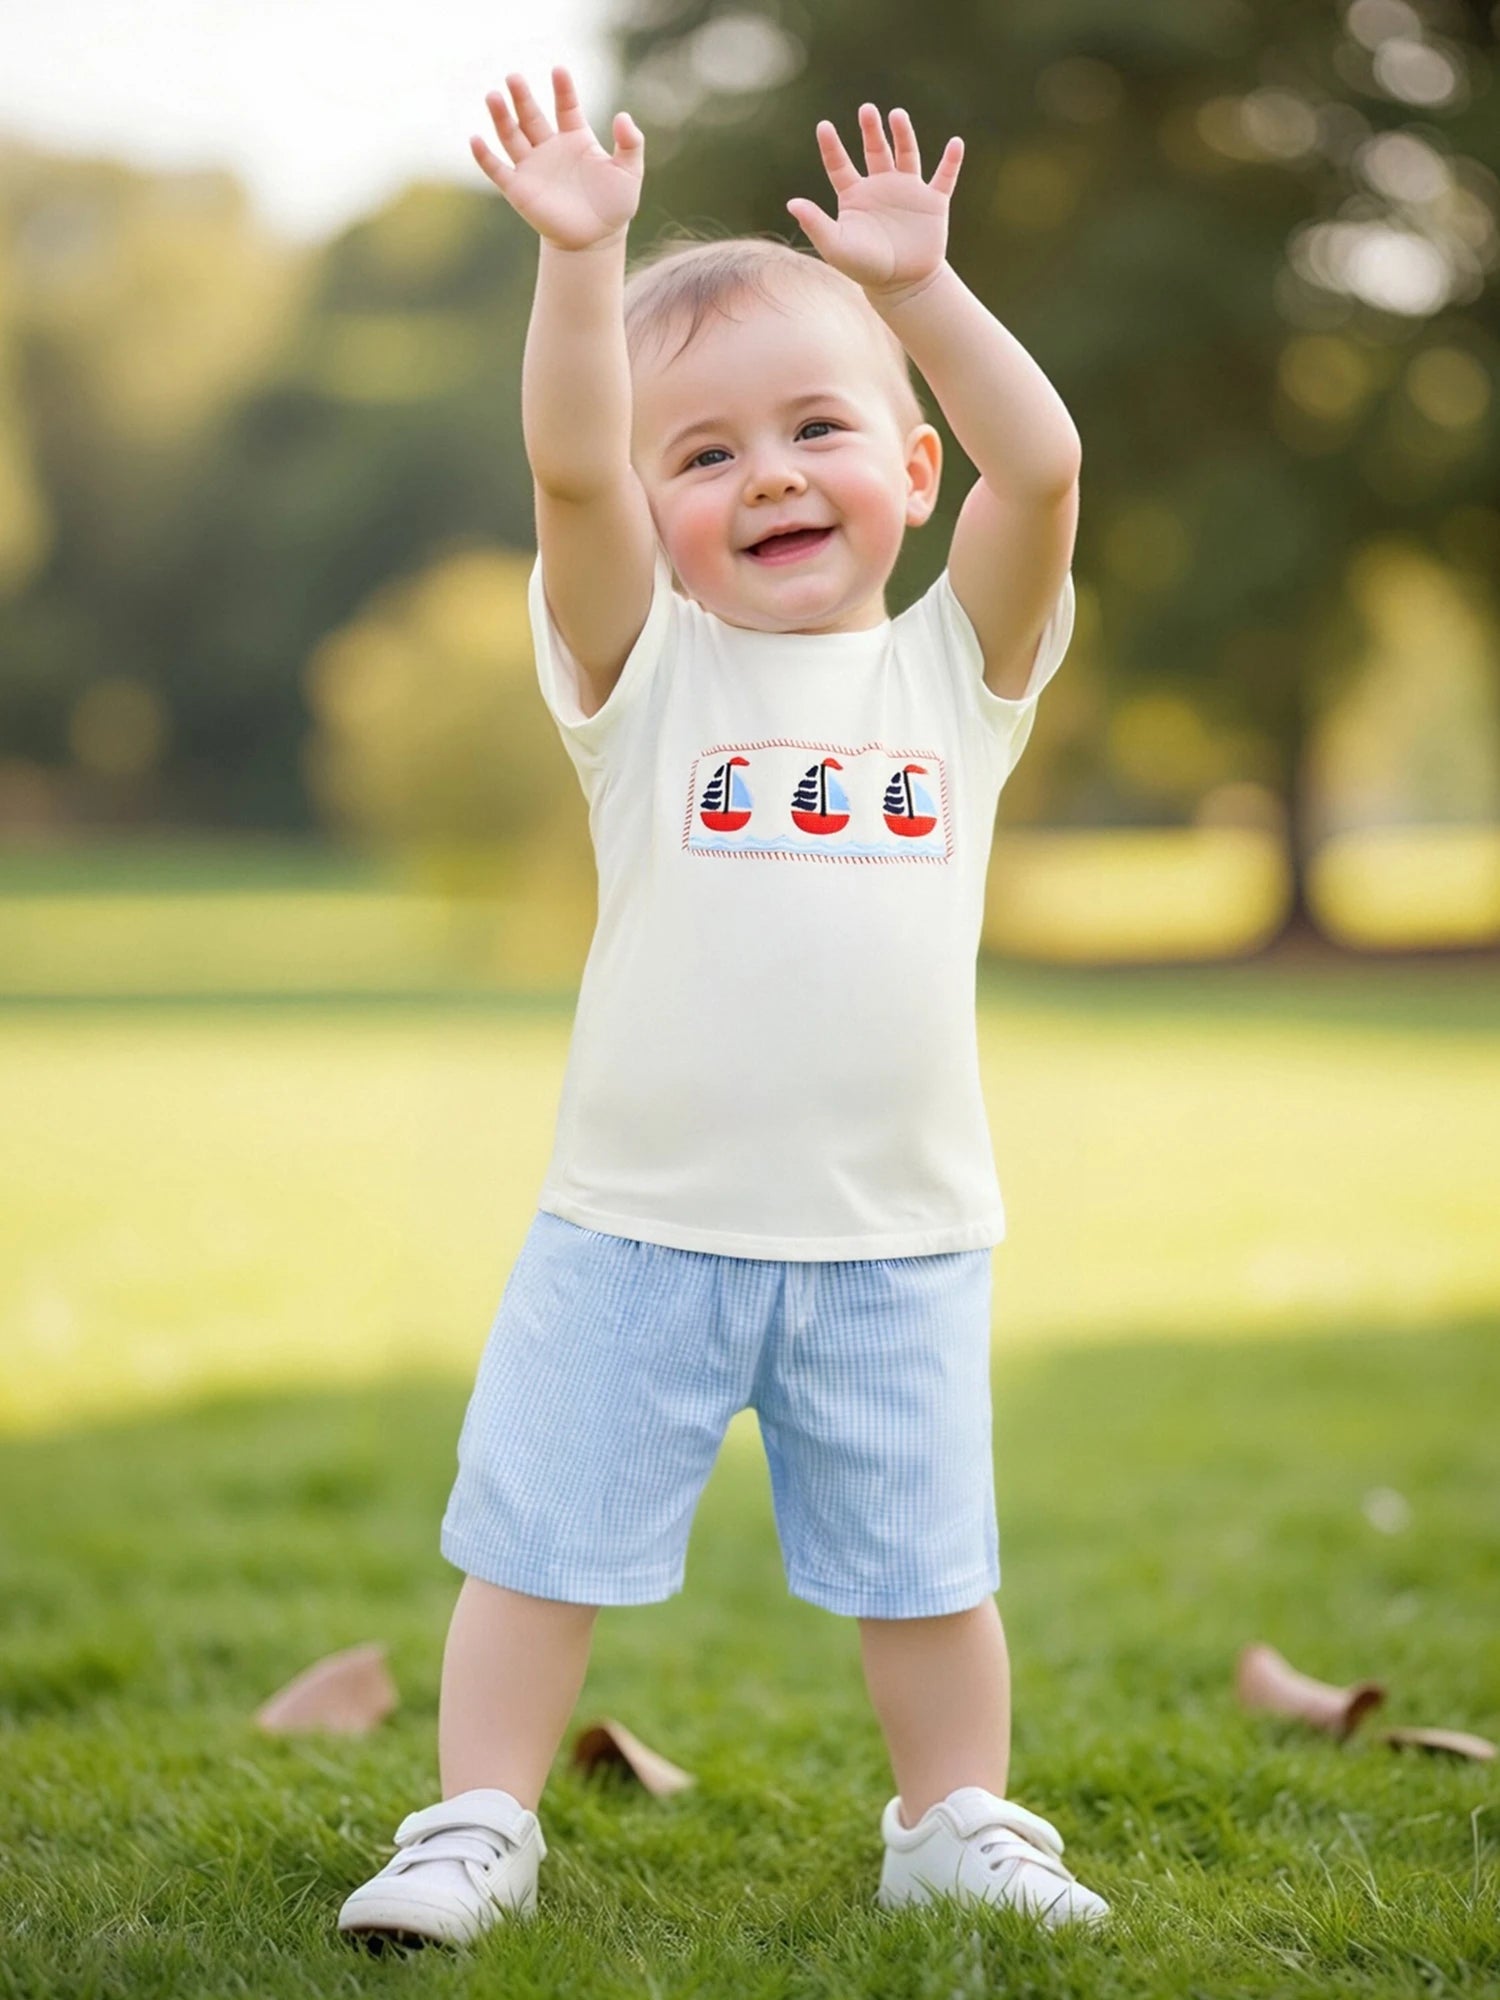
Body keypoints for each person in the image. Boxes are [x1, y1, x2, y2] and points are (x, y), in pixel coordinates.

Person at [337, 64, 1108, 1949]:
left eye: (817, 428)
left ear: (910, 475)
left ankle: (953, 1818)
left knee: (929, 1573)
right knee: (531, 1553)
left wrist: (918, 296)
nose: (764, 473)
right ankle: (475, 1826)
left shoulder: (961, 678)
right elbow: (575, 466)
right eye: (710, 456)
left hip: (896, 1232)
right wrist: (581, 262)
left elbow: (1049, 466)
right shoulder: (642, 679)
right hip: (636, 1226)